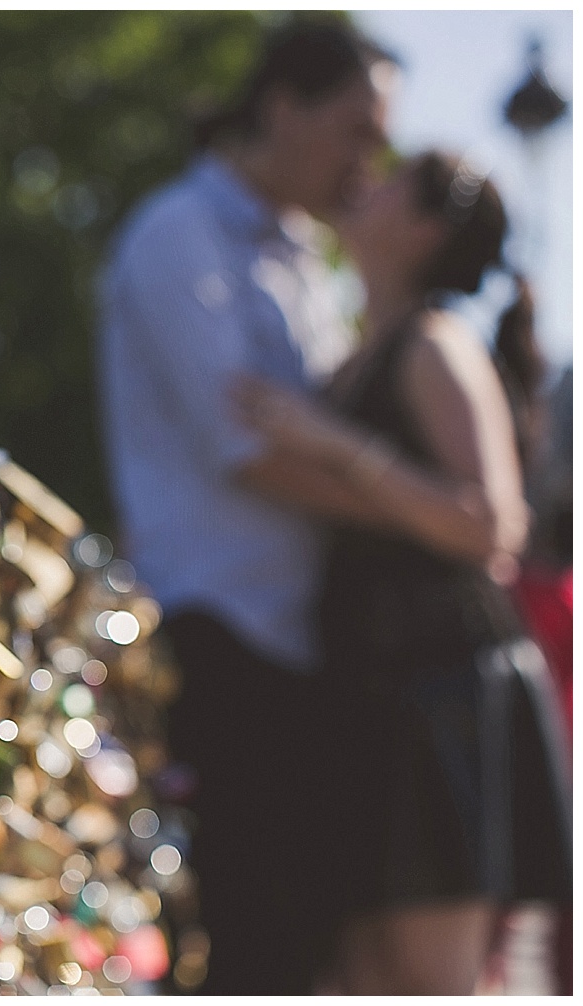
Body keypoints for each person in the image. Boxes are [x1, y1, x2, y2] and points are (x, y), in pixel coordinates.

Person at [96, 20, 395, 994]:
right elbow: (249, 450)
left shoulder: (310, 256)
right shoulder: (178, 232)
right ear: (282, 109)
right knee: (252, 945)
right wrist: (423, 512)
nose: (371, 159)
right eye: (357, 129)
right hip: (222, 635)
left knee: (311, 945)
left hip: (308, 641)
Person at [233, 151, 571, 994]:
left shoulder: (434, 342)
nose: (364, 180)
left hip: (443, 696)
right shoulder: (368, 348)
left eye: (391, 180)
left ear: (422, 230)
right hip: (376, 695)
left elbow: (493, 523)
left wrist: (336, 445)